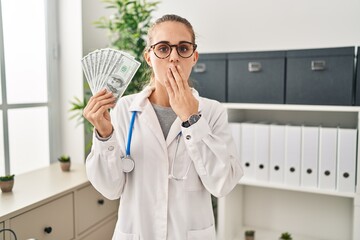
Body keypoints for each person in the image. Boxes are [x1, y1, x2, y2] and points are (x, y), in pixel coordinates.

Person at [84, 14, 243, 240]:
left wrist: (191, 119)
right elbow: (110, 189)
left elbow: (222, 184)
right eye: (163, 48)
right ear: (149, 56)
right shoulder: (124, 109)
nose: (174, 57)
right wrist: (104, 135)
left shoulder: (212, 111)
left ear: (194, 57)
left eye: (183, 48)